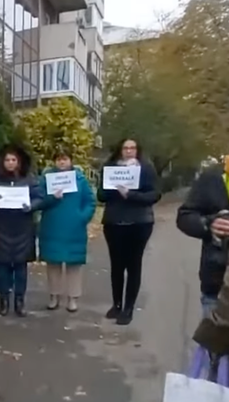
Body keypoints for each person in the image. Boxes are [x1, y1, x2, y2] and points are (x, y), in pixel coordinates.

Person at [97, 138, 160, 325]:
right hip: (114, 222)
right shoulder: (110, 168)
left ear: (138, 150)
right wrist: (115, 190)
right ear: (120, 150)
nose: (129, 151)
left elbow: (154, 195)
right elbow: (101, 194)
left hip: (139, 223)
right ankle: (116, 305)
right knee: (116, 265)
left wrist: (130, 194)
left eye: (133, 148)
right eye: (125, 148)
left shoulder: (146, 168)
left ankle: (128, 308)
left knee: (133, 265)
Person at [0, 144, 42, 317]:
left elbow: (40, 197)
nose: (10, 163)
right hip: (2, 228)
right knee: (1, 267)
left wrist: (31, 206)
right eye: (7, 160)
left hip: (23, 228)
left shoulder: (29, 179)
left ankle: (19, 301)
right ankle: (3, 301)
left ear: (19, 162)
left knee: (20, 267)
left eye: (13, 160)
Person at [38, 151, 96, 312]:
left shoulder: (80, 180)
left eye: (65, 159)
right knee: (53, 265)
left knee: (74, 265)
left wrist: (82, 217)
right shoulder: (46, 180)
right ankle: (53, 296)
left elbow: (90, 201)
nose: (62, 162)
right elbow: (40, 200)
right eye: (58, 159)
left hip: (74, 228)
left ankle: (73, 298)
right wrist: (52, 198)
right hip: (52, 226)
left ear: (70, 161)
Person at [177, 155, 229, 318]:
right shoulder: (212, 177)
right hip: (218, 287)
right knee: (214, 342)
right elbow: (185, 216)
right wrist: (208, 224)